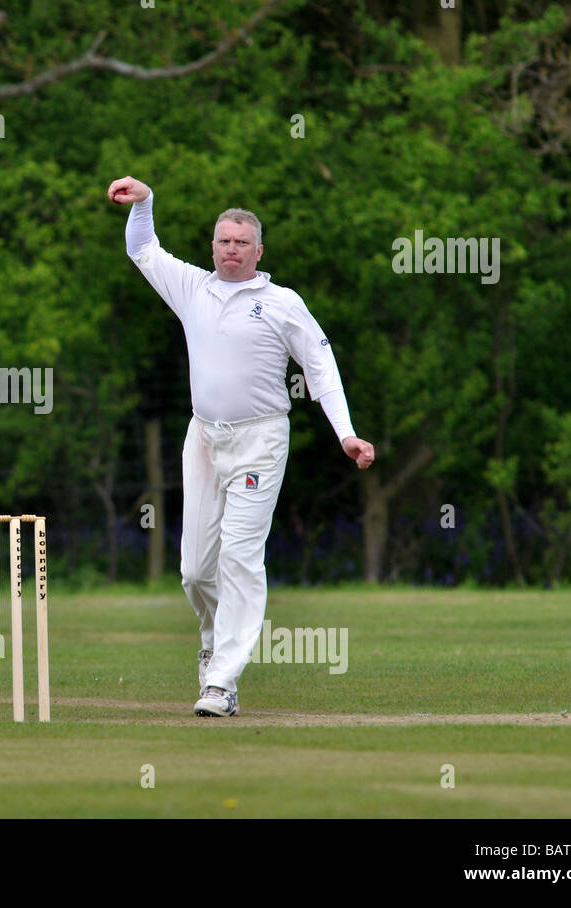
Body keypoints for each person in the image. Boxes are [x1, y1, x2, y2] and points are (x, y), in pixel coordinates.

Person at [107, 176, 375, 717]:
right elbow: (142, 250)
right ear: (213, 247)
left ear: (258, 251)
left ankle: (222, 684)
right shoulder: (192, 288)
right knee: (195, 571)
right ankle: (214, 644)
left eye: (241, 242)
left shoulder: (281, 303)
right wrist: (146, 202)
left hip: (261, 440)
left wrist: (344, 433)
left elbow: (321, 368)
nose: (231, 250)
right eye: (223, 241)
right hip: (203, 439)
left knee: (239, 558)